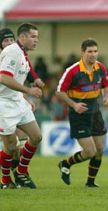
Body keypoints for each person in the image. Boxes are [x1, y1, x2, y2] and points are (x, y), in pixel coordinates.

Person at [57, 38, 108, 187]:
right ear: (83, 53)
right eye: (90, 52)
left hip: (95, 112)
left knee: (99, 150)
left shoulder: (100, 68)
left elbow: (106, 84)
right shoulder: (73, 71)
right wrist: (74, 105)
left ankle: (90, 183)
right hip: (79, 114)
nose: (93, 54)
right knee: (90, 151)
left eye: (95, 51)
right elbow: (59, 92)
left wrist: (106, 97)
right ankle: (65, 163)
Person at [0, 23, 43, 189]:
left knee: (36, 136)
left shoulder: (22, 53)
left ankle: (21, 171)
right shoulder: (12, 52)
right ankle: (5, 180)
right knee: (10, 146)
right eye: (33, 37)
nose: (36, 40)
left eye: (37, 37)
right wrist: (29, 91)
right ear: (22, 37)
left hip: (16, 100)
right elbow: (4, 78)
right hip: (3, 103)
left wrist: (25, 98)